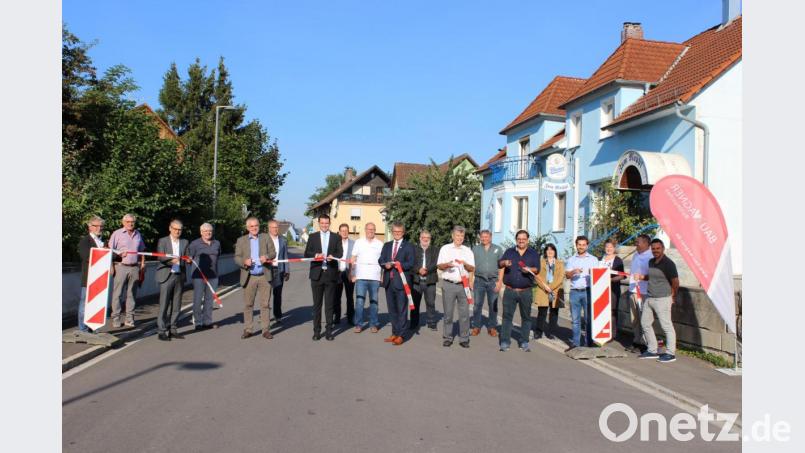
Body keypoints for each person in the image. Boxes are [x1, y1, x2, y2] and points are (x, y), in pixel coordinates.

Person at [635, 239, 680, 363]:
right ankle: (652, 350)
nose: (655, 251)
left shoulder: (669, 263)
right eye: (653, 249)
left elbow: (675, 282)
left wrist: (673, 296)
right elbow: (652, 277)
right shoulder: (651, 262)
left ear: (663, 248)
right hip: (650, 297)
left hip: (663, 299)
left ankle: (671, 353)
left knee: (667, 326)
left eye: (658, 248)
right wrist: (642, 277)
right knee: (645, 323)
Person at [234, 217, 276, 340]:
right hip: (249, 276)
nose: (254, 228)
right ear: (247, 228)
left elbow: (273, 253)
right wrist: (244, 262)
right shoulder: (241, 240)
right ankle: (248, 329)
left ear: (259, 226)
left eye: (256, 225)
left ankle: (265, 330)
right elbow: (236, 257)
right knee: (248, 304)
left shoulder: (266, 237)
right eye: (251, 226)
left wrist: (267, 256)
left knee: (265, 304)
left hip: (264, 275)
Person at [497, 230, 540, 352]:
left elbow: (537, 269)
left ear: (527, 240)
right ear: (516, 240)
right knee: (507, 317)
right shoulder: (509, 252)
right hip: (510, 290)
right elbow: (499, 264)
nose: (521, 241)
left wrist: (530, 269)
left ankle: (524, 342)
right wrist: (504, 262)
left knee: (526, 318)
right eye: (519, 239)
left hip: (525, 291)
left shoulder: (533, 253)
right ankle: (505, 342)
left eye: (524, 239)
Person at [303, 214, 343, 341]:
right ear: (319, 223)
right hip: (316, 275)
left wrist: (332, 256)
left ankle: (329, 331)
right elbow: (306, 253)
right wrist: (315, 255)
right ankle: (316, 331)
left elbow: (340, 253)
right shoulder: (312, 237)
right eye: (322, 223)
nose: (324, 225)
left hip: (331, 274)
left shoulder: (336, 237)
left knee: (329, 305)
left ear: (329, 223)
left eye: (327, 223)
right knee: (317, 305)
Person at [436, 225, 475, 348]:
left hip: (464, 285)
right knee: (448, 313)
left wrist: (464, 264)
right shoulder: (445, 249)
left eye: (462, 236)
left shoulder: (468, 250)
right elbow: (439, 266)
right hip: (449, 284)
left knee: (464, 313)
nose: (459, 238)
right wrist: (448, 264)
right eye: (457, 235)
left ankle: (464, 338)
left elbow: (472, 268)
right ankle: (448, 337)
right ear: (453, 236)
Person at [378, 222, 415, 346]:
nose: (397, 234)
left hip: (402, 282)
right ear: (392, 232)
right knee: (392, 310)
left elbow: (411, 263)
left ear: (403, 232)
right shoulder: (387, 245)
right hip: (389, 282)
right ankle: (394, 332)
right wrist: (385, 264)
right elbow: (381, 259)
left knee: (402, 310)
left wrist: (398, 264)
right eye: (395, 232)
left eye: (399, 232)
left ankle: (401, 335)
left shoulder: (409, 246)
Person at [108, 213, 146, 328]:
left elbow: (142, 251)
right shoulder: (117, 233)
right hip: (120, 266)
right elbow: (109, 250)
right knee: (117, 294)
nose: (130, 224)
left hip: (134, 267)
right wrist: (111, 266)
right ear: (123, 222)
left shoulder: (138, 234)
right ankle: (116, 318)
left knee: (132, 295)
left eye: (132, 222)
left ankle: (130, 318)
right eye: (128, 222)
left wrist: (143, 265)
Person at [155, 220, 189, 341]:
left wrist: (188, 259)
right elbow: (159, 256)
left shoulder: (185, 242)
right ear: (170, 228)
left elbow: (187, 256)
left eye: (179, 229)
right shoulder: (163, 241)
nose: (177, 231)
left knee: (177, 305)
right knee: (164, 304)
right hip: (166, 275)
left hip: (179, 275)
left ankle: (173, 328)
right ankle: (162, 330)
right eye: (175, 229)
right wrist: (170, 260)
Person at [565, 235, 600, 350]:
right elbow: (567, 275)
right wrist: (574, 271)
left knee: (589, 319)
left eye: (583, 245)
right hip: (575, 291)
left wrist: (592, 274)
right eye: (579, 245)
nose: (581, 247)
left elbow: (598, 276)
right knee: (575, 320)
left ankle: (589, 342)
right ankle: (576, 343)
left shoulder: (593, 260)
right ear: (576, 245)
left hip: (588, 291)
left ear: (587, 246)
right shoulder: (571, 260)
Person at [186, 222, 221, 331]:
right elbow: (189, 258)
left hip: (213, 275)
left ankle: (207, 321)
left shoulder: (217, 243)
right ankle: (198, 322)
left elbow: (218, 256)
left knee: (209, 300)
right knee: (197, 299)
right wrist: (188, 259)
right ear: (201, 232)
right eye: (205, 231)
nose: (208, 233)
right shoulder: (194, 244)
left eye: (210, 231)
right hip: (199, 276)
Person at [350, 222, 384, 333]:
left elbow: (383, 262)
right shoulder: (358, 242)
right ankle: (358, 324)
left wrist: (382, 276)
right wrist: (352, 274)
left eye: (373, 229)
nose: (371, 231)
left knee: (374, 302)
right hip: (361, 277)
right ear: (365, 230)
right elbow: (353, 259)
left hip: (375, 278)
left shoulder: (380, 244)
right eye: (369, 229)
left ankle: (373, 324)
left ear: (375, 230)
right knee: (359, 302)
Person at [471, 230, 504, 337]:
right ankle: (476, 326)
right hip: (479, 281)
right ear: (480, 237)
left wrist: (500, 282)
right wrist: (470, 280)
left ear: (491, 237)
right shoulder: (475, 249)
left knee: (493, 305)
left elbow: (501, 267)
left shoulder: (498, 249)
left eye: (486, 236)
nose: (484, 238)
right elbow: (472, 266)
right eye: (482, 237)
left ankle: (492, 327)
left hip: (493, 281)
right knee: (477, 305)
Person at [77, 216, 105, 333]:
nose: (99, 228)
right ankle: (83, 329)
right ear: (90, 227)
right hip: (89, 277)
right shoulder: (85, 241)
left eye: (101, 226)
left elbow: (107, 254)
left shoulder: (101, 240)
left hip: (100, 277)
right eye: (96, 226)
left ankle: (93, 327)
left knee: (96, 304)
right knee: (84, 304)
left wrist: (117, 255)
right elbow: (87, 256)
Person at [625, 234, 652, 353]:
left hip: (644, 292)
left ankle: (645, 344)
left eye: (638, 242)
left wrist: (642, 277)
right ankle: (636, 341)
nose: (636, 244)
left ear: (646, 243)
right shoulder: (635, 255)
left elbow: (654, 276)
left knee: (645, 320)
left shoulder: (651, 256)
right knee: (634, 319)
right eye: (636, 242)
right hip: (633, 291)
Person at [533, 243, 564, 340]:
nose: (550, 252)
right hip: (543, 290)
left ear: (555, 251)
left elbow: (560, 277)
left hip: (555, 290)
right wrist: (545, 287)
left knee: (554, 313)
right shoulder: (540, 262)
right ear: (545, 252)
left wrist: (551, 287)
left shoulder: (560, 263)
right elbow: (537, 276)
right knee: (542, 312)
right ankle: (538, 332)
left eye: (552, 250)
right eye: (548, 250)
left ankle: (551, 333)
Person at [411, 229, 439, 332]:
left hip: (430, 280)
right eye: (423, 238)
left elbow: (436, 263)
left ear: (430, 239)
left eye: (428, 238)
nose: (425, 240)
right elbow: (411, 263)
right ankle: (414, 323)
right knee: (414, 304)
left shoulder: (435, 250)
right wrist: (418, 270)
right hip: (416, 281)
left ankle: (431, 322)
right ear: (420, 238)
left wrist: (426, 270)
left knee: (431, 303)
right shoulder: (413, 249)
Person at [599, 239, 625, 339]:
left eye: (610, 247)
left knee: (612, 311)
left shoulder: (618, 260)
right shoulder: (601, 259)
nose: (608, 249)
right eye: (607, 247)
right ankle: (601, 331)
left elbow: (622, 276)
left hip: (613, 289)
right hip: (600, 289)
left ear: (614, 248)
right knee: (601, 311)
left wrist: (610, 280)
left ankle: (611, 334)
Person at [267, 220, 290, 326]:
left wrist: (287, 270)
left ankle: (278, 316)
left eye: (276, 227)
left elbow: (285, 256)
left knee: (277, 294)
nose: (275, 229)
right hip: (267, 270)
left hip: (279, 270)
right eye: (273, 227)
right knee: (265, 295)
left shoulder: (283, 240)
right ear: (269, 228)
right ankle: (264, 316)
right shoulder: (264, 240)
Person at [333, 223, 355, 326]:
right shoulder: (335, 243)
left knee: (349, 297)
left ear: (348, 231)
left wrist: (353, 274)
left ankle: (350, 318)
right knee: (336, 297)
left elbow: (355, 259)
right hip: (337, 273)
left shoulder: (354, 243)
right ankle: (336, 317)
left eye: (346, 230)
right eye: (342, 231)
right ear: (339, 232)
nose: (344, 232)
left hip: (348, 272)